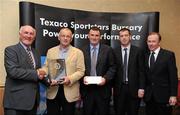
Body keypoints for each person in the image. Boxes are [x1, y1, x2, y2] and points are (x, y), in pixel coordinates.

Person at [3, 25, 47, 115]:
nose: (29, 36)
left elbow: (38, 75)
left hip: (32, 102)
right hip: (15, 103)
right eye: (26, 33)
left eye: (31, 34)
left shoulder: (36, 52)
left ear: (34, 37)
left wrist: (50, 81)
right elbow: (13, 71)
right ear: (20, 34)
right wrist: (37, 73)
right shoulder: (11, 50)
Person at [42, 27, 85, 115]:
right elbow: (46, 67)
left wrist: (69, 78)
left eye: (68, 36)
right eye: (63, 36)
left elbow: (81, 71)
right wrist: (42, 73)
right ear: (59, 37)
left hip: (70, 91)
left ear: (71, 39)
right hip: (53, 90)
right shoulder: (51, 51)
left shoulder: (78, 53)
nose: (65, 38)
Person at [80, 26, 116, 115]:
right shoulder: (81, 50)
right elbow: (78, 68)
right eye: (92, 35)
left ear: (100, 37)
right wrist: (82, 78)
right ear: (88, 36)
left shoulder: (108, 50)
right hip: (87, 91)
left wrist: (105, 79)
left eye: (97, 35)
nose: (94, 37)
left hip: (103, 90)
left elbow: (113, 67)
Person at [113, 28, 145, 115]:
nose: (124, 38)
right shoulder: (114, 51)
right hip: (119, 89)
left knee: (133, 112)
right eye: (121, 36)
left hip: (134, 89)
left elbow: (142, 71)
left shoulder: (138, 51)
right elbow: (112, 70)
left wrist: (141, 87)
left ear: (130, 37)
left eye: (126, 35)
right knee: (119, 112)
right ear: (119, 38)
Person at [144, 32, 178, 115]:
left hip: (164, 96)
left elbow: (173, 77)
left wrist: (173, 95)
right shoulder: (145, 55)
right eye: (149, 41)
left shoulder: (168, 55)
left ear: (159, 42)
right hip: (149, 97)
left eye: (153, 41)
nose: (151, 44)